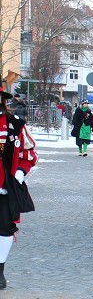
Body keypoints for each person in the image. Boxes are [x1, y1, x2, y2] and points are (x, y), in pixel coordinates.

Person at [0, 89, 38, 288]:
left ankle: (0, 271)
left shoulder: (15, 124)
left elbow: (29, 153)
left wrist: (20, 172)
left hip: (6, 188)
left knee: (5, 228)